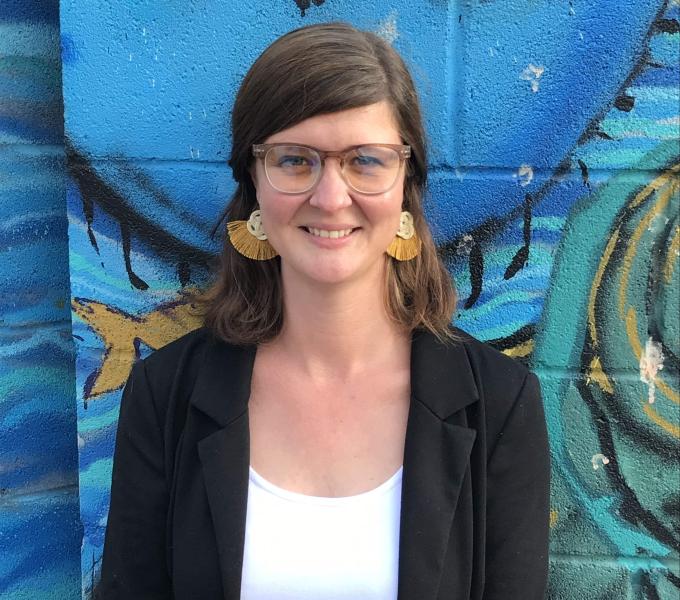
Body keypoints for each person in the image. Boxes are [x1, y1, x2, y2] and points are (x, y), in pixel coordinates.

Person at [97, 22, 550, 600]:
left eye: (365, 160)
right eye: (294, 160)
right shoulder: (165, 396)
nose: (331, 198)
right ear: (254, 182)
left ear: (405, 182)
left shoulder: (498, 406)